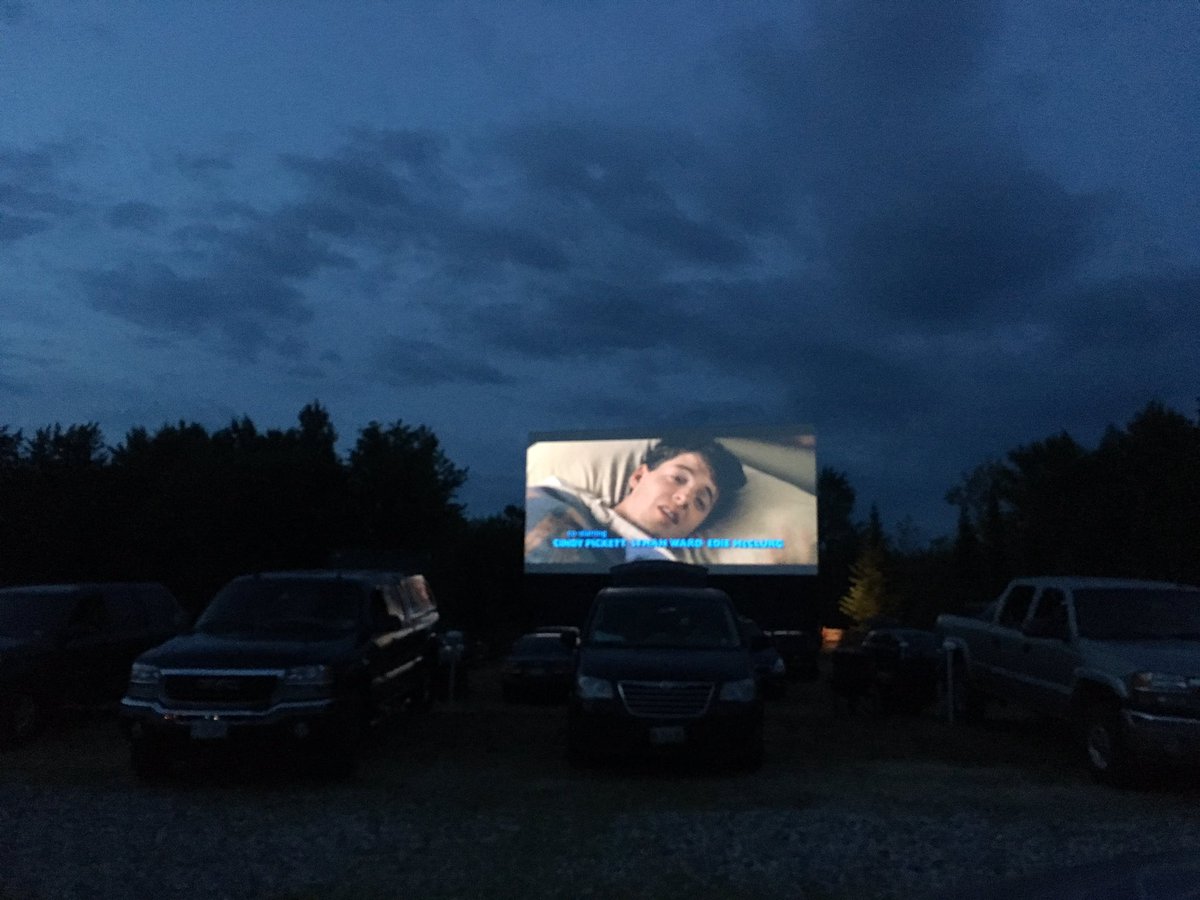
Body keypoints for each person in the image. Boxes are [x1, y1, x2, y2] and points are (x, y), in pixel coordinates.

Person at [524, 436, 747, 567]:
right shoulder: (557, 499)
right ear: (639, 476)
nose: (684, 498)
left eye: (701, 501)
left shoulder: (671, 581)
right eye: (678, 479)